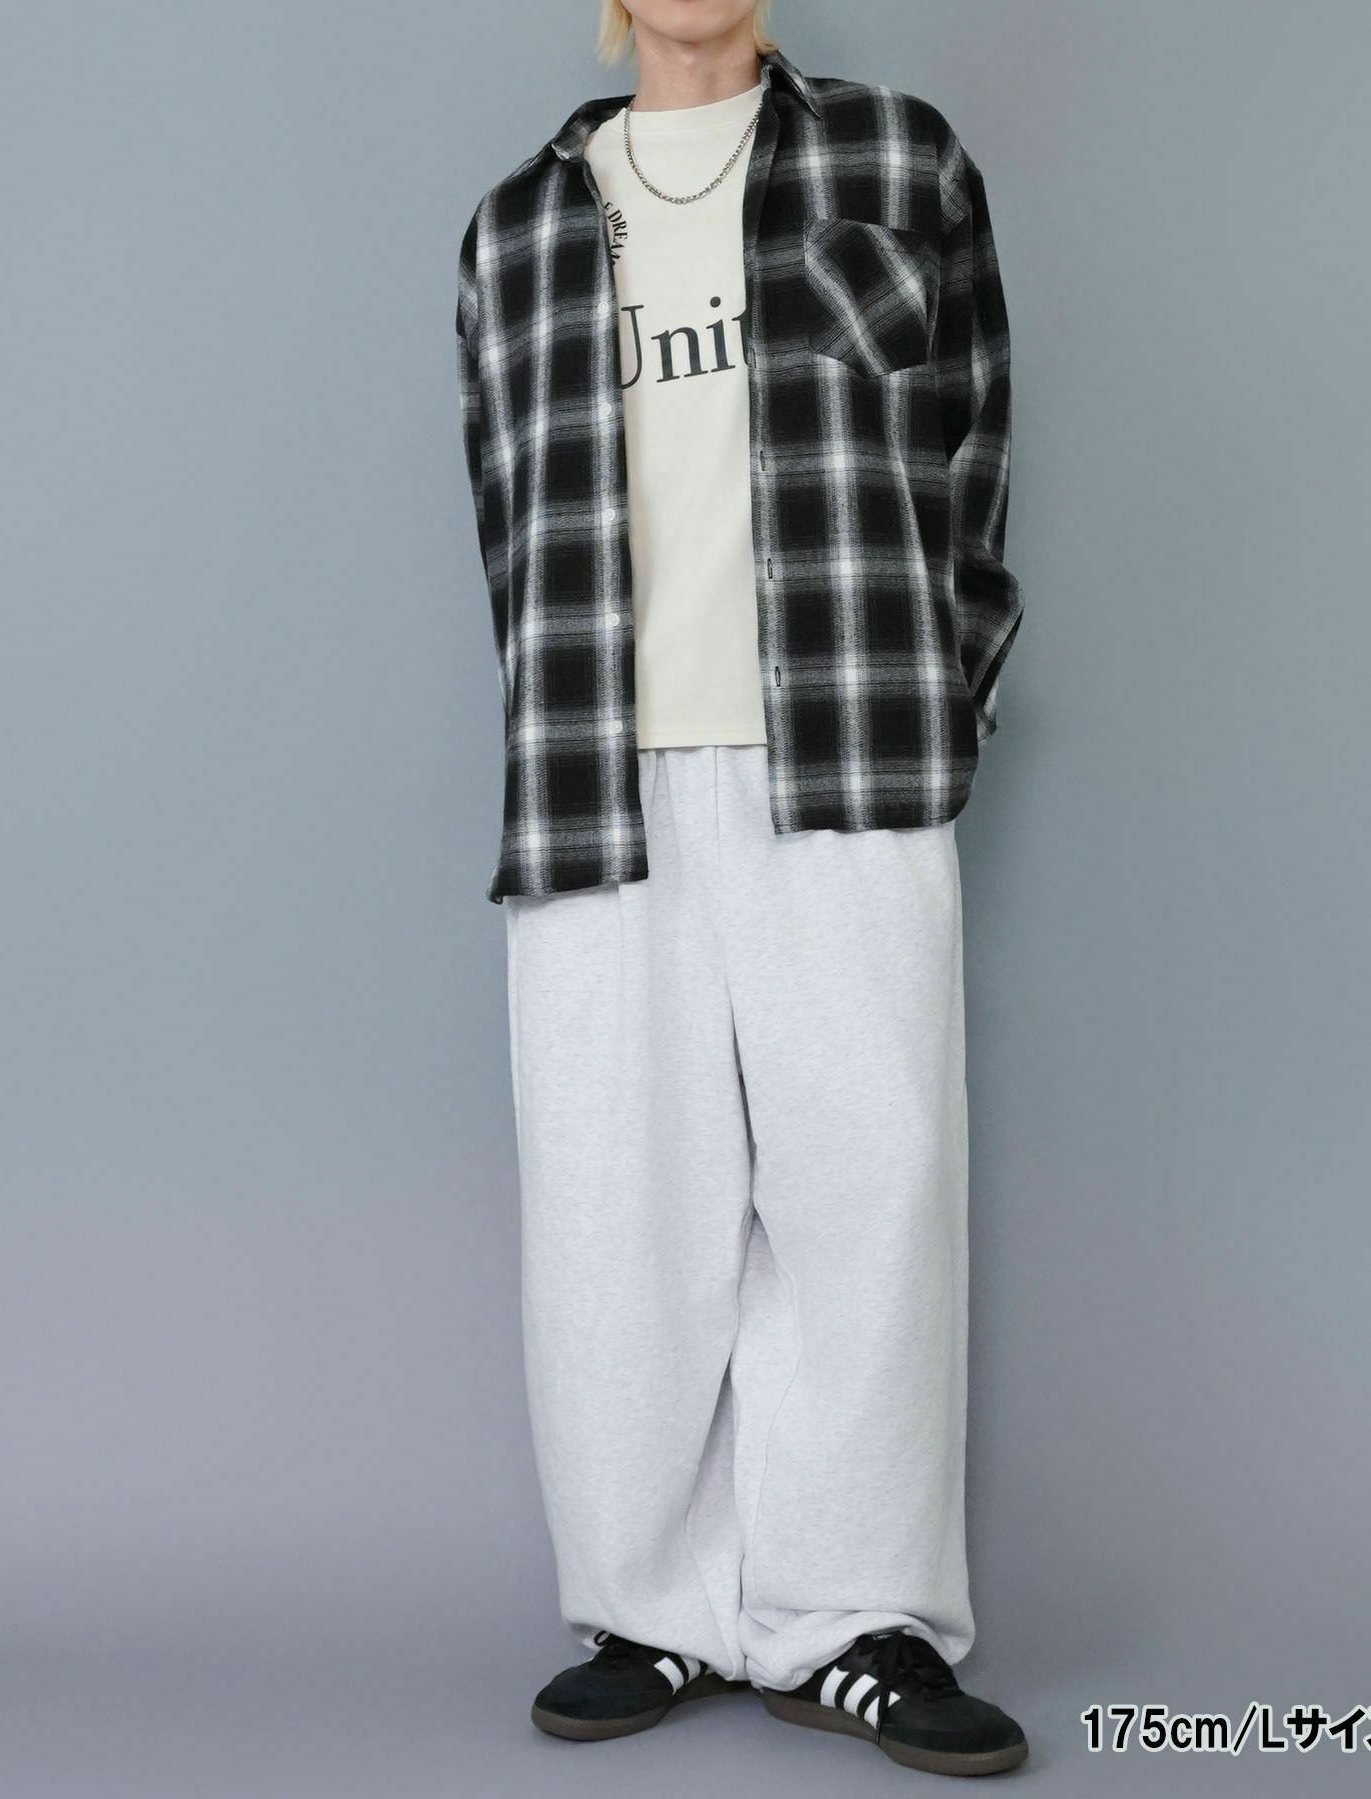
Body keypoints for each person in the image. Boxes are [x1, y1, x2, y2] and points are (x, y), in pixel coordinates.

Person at [454, 0, 1026, 1777]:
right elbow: (507, 524)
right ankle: (652, 1610)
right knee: (615, 1207)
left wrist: (935, 698)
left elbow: (976, 462)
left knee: (870, 1192)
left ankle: (854, 1623)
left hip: (845, 750)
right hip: (597, 773)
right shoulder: (514, 229)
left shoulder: (900, 158)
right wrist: (558, 719)